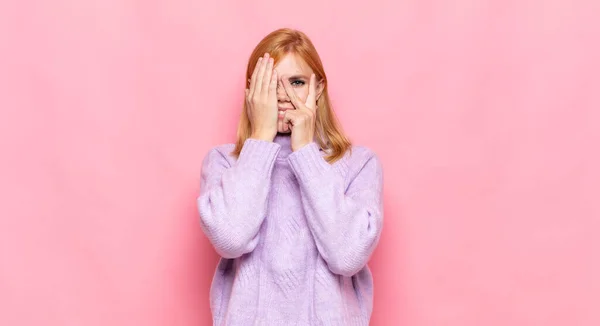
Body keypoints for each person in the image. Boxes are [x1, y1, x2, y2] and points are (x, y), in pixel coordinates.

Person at [197, 28, 384, 325]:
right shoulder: (224, 162)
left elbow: (346, 256)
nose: (283, 96)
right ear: (252, 92)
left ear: (319, 88)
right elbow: (231, 239)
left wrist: (305, 152)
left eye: (296, 82)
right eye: (270, 84)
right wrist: (259, 138)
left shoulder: (359, 164)